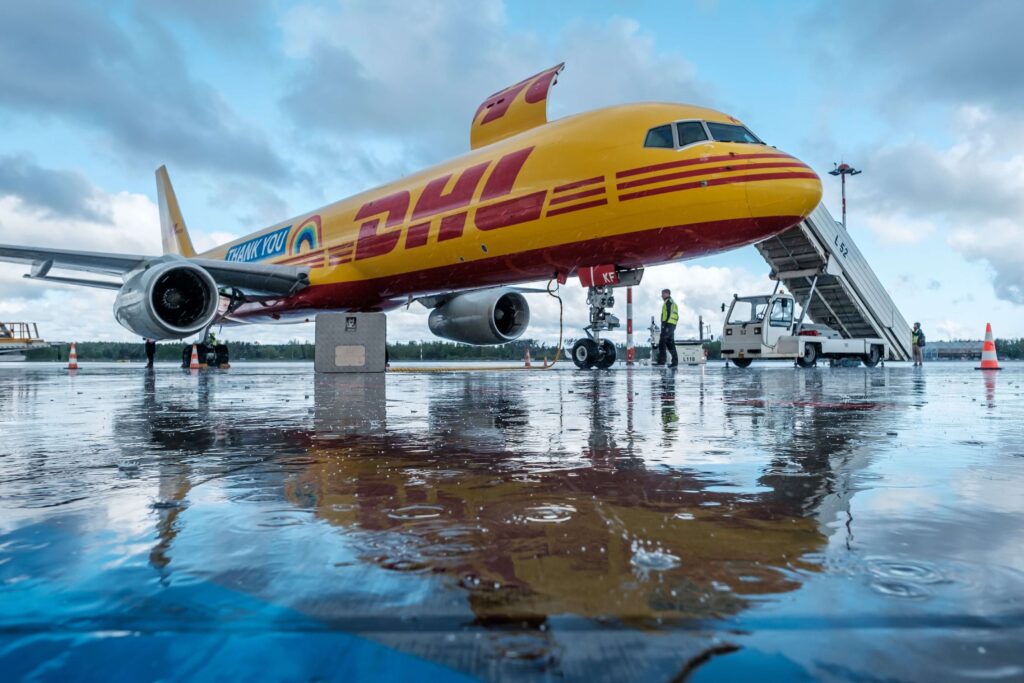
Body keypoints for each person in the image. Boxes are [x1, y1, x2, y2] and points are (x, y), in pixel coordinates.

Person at [655, 288, 679, 367]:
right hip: (672, 325)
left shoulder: (668, 302)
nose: (661, 296)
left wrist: (664, 325)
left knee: (662, 342)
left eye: (663, 294)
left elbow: (668, 314)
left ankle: (662, 361)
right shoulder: (672, 302)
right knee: (670, 343)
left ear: (667, 294)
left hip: (668, 325)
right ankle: (675, 362)